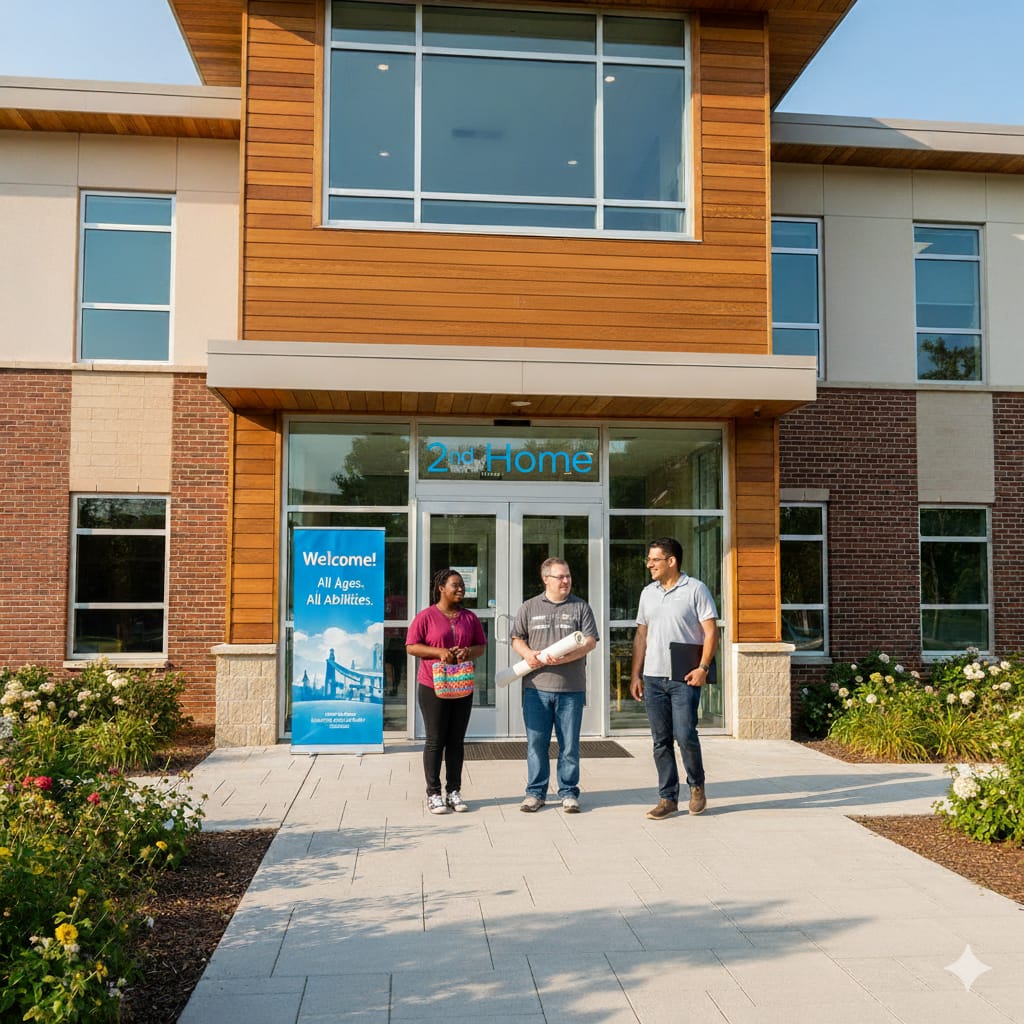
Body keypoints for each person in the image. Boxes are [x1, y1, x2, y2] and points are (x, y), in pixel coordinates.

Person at [630, 537, 718, 821]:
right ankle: (667, 798)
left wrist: (703, 668)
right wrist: (636, 674)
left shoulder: (695, 589)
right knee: (660, 741)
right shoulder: (647, 593)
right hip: (653, 678)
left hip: (684, 677)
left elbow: (710, 632)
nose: (649, 564)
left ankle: (696, 786)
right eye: (648, 559)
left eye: (654, 559)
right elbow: (641, 635)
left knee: (685, 735)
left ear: (671, 561)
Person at [511, 557, 599, 813]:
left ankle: (569, 792)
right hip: (536, 689)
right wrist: (528, 654)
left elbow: (590, 642)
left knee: (569, 744)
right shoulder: (529, 607)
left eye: (568, 576)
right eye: (560, 577)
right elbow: (517, 638)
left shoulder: (580, 607)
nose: (566, 581)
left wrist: (563, 659)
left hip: (570, 688)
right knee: (536, 744)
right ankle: (535, 793)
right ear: (546, 579)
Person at [406, 568, 487, 815]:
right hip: (432, 686)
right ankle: (433, 793)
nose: (461, 589)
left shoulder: (469, 618)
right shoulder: (426, 617)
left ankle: (454, 791)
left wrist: (467, 652)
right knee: (435, 740)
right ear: (441, 588)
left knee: (456, 741)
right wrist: (438, 652)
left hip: (461, 685)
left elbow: (480, 646)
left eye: (462, 585)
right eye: (455, 585)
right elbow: (411, 646)